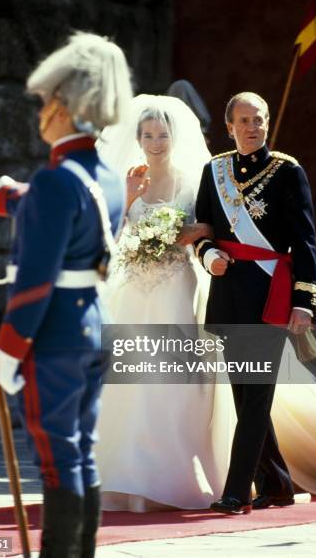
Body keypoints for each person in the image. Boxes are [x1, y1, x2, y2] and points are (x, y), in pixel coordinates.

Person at [0, 31, 132, 557]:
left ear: (68, 106)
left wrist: (8, 348)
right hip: (93, 325)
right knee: (81, 453)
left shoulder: (57, 180)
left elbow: (33, 282)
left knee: (56, 458)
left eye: (49, 99)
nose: (41, 111)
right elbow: (53, 207)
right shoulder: (105, 176)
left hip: (52, 334)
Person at [95, 94, 234, 511]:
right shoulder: (128, 178)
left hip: (175, 287)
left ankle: (171, 473)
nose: (156, 142)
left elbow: (207, 227)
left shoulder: (191, 181)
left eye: (162, 135)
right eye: (148, 135)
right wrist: (127, 197)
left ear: (174, 138)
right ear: (137, 138)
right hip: (134, 291)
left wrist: (186, 236)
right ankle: (126, 477)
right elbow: (111, 236)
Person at [194, 91, 316, 515]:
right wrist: (209, 255)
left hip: (272, 294)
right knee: (244, 398)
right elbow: (205, 228)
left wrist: (304, 302)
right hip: (229, 295)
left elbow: (305, 241)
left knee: (257, 397)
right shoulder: (214, 170)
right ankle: (278, 483)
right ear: (229, 126)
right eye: (244, 121)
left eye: (259, 120)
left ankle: (236, 491)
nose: (253, 127)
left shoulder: (287, 171)